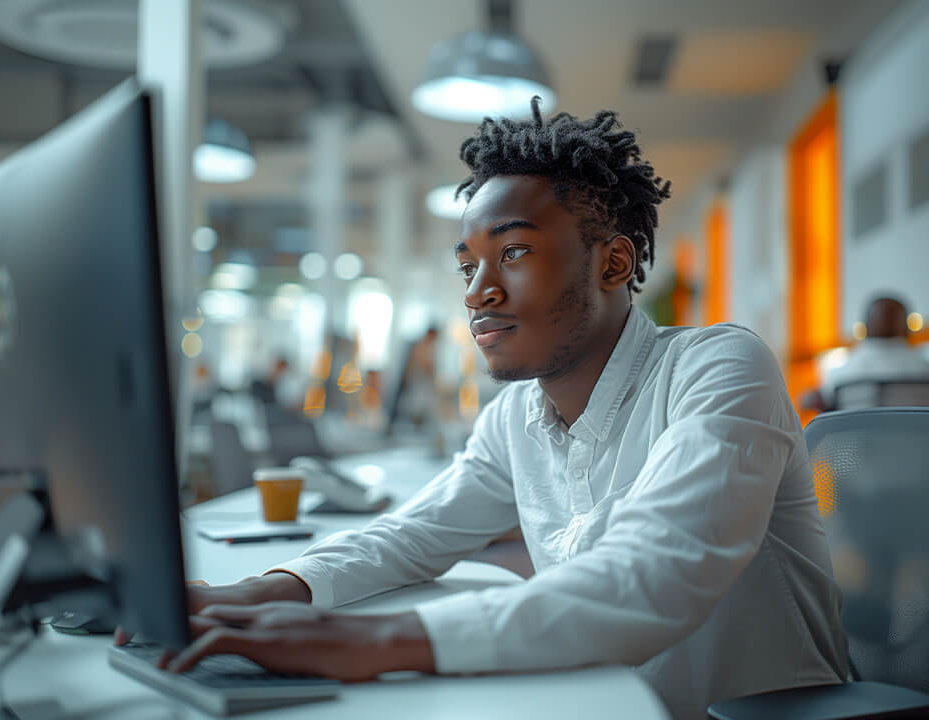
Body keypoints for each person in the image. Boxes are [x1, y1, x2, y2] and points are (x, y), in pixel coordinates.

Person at [119, 100, 847, 719]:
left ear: (614, 265)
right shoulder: (514, 417)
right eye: (468, 266)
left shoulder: (717, 368)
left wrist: (368, 643)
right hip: (595, 698)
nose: (476, 293)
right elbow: (411, 537)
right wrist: (271, 589)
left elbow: (656, 575)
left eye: (515, 254)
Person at [801, 296, 929, 412]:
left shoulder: (839, 374)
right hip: (914, 437)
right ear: (907, 329)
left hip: (856, 438)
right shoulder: (924, 368)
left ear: (865, 328)